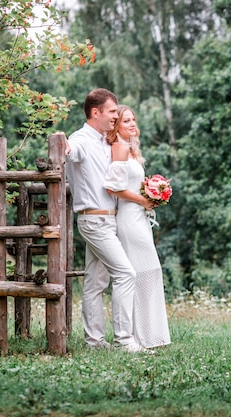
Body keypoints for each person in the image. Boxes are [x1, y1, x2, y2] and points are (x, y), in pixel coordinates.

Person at [64, 89, 150, 353]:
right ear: (95, 112)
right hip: (93, 220)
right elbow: (69, 150)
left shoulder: (105, 141)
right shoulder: (81, 139)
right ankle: (124, 341)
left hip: (109, 220)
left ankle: (95, 342)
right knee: (125, 274)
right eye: (112, 111)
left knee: (95, 283)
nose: (116, 115)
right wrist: (61, 142)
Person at [103, 105, 171, 349]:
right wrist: (143, 199)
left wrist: (153, 192)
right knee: (139, 274)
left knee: (150, 272)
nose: (132, 124)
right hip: (129, 220)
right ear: (116, 126)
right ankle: (137, 337)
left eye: (133, 120)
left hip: (140, 218)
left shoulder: (131, 150)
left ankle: (153, 335)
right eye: (125, 121)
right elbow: (113, 187)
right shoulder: (119, 148)